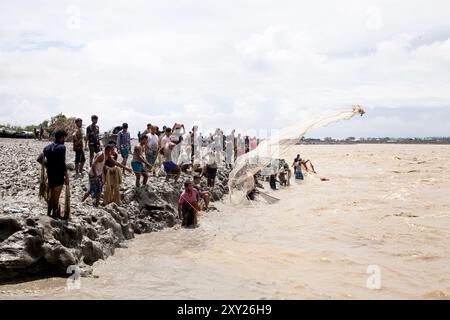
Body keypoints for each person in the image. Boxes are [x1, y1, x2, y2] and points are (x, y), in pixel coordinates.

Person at [43, 130, 69, 219]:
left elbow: (40, 158)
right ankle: (54, 216)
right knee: (56, 197)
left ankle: (48, 214)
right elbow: (62, 163)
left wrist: (48, 166)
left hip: (50, 174)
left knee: (51, 196)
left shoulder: (47, 148)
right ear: (61, 137)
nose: (65, 139)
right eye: (65, 137)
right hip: (58, 175)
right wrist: (66, 176)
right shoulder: (62, 147)